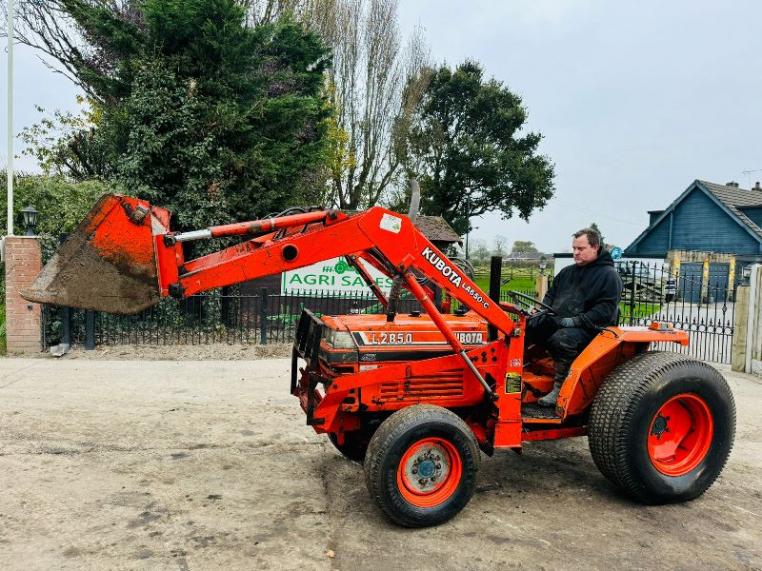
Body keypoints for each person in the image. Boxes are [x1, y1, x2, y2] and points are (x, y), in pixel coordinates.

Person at [526, 228, 623, 407]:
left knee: (562, 339)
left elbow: (604, 311)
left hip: (591, 328)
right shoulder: (567, 272)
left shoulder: (609, 276)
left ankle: (560, 388)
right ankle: (518, 374)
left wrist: (575, 321)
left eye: (581, 248)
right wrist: (540, 312)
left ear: (595, 247)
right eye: (574, 248)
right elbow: (550, 296)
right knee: (526, 328)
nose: (576, 253)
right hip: (561, 321)